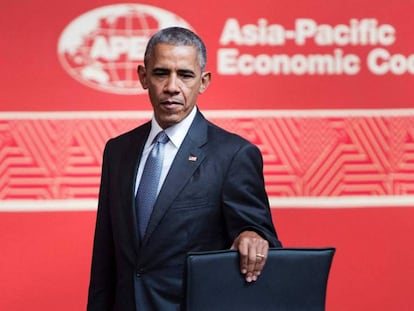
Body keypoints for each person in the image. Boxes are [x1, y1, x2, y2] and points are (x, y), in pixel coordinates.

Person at [87, 26, 282, 310]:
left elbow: (259, 237)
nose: (172, 87)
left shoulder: (233, 155)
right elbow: (105, 257)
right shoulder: (118, 151)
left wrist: (252, 235)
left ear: (203, 82)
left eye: (185, 75)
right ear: (143, 77)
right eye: (161, 73)